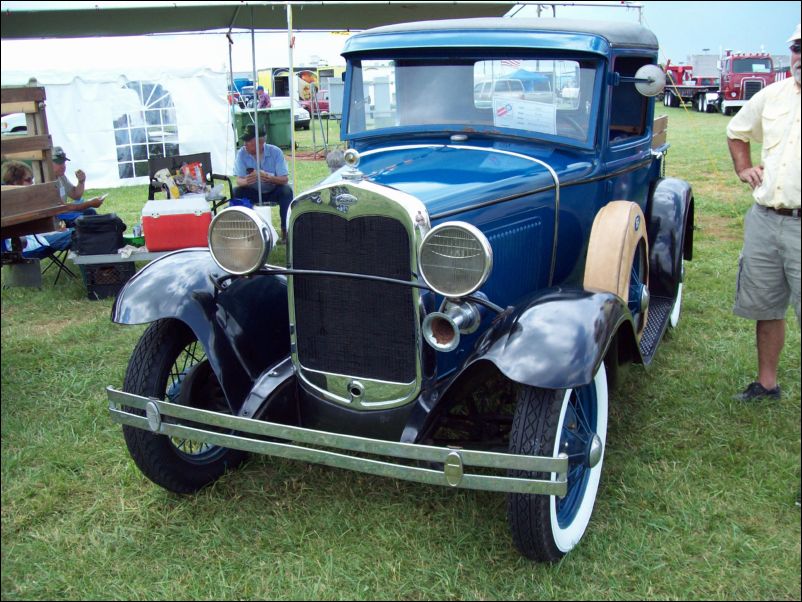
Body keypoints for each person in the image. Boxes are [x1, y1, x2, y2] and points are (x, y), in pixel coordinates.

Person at [725, 23, 801, 401]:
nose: (801, 57)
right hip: (767, 220)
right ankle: (766, 385)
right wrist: (744, 168)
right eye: (798, 48)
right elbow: (736, 131)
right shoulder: (772, 96)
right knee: (767, 305)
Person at [1, 160, 73, 259]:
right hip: (29, 245)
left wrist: (58, 227)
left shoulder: (23, 199)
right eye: (28, 180)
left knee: (81, 229)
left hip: (37, 238)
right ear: (15, 182)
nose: (32, 184)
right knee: (81, 233)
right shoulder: (12, 203)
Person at [233, 125, 293, 242]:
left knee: (286, 191)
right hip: (252, 191)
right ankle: (243, 230)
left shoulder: (275, 152)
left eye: (248, 141)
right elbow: (238, 180)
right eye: (244, 141)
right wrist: (246, 181)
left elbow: (284, 179)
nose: (245, 144)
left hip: (273, 190)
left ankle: (285, 229)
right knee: (236, 192)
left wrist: (269, 178)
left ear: (260, 142)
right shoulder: (241, 153)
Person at [51, 146, 105, 227]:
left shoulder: (60, 176)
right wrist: (89, 203)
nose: (63, 166)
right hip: (55, 218)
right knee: (86, 218)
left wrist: (81, 181)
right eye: (59, 163)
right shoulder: (46, 182)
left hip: (62, 213)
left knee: (90, 212)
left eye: (64, 162)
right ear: (48, 163)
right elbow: (63, 208)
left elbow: (75, 195)